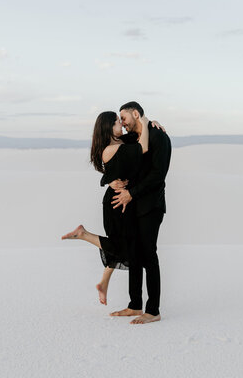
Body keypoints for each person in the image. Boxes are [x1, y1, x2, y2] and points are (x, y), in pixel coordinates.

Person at [61, 110, 150, 306]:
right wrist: (142, 118)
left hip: (124, 200)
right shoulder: (110, 149)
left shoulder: (120, 143)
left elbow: (136, 136)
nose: (122, 124)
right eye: (118, 122)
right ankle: (84, 234)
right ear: (109, 127)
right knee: (124, 248)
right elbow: (142, 147)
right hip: (115, 205)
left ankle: (104, 282)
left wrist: (153, 123)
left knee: (124, 244)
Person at [110, 101, 171, 324]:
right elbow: (111, 156)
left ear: (136, 114)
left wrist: (131, 194)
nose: (123, 124)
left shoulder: (159, 136)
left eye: (124, 118)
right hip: (132, 206)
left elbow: (157, 175)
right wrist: (110, 183)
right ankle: (134, 304)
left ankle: (153, 310)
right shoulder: (131, 138)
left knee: (148, 255)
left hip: (150, 206)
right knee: (133, 254)